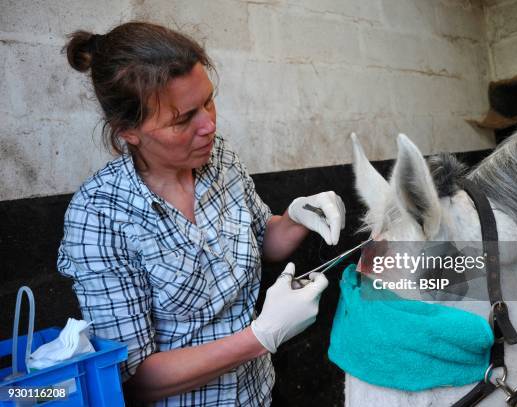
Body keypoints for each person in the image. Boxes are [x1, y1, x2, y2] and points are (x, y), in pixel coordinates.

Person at [57, 21, 345, 406]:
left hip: (258, 393)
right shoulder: (99, 215)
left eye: (208, 100)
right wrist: (259, 337)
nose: (209, 125)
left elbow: (264, 242)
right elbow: (135, 380)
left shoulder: (219, 159)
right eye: (182, 119)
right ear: (127, 131)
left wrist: (294, 219)